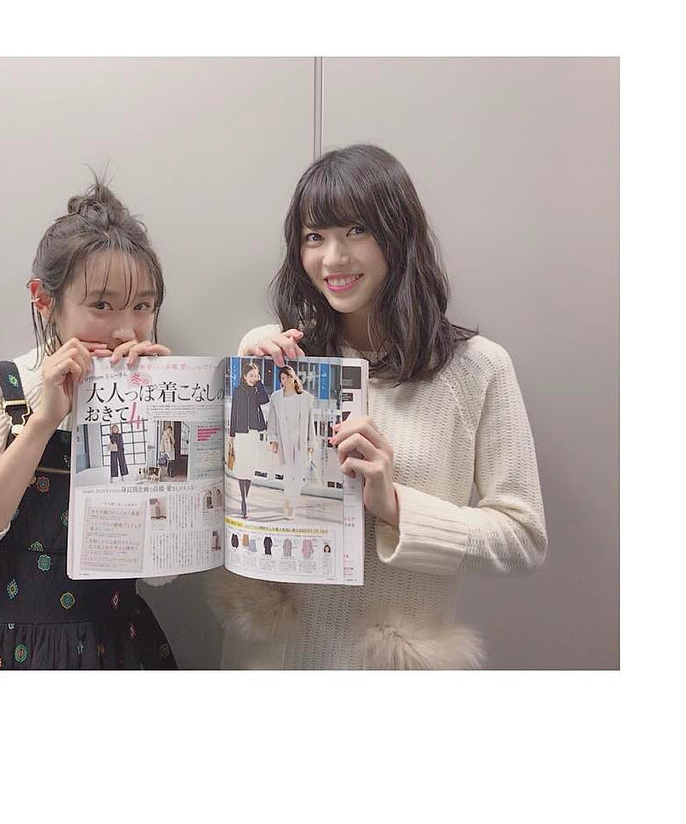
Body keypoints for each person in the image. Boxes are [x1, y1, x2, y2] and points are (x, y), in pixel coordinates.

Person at [208, 144, 547, 670]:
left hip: (389, 666)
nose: (333, 259)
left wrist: (395, 506)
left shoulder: (477, 369)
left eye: (357, 230)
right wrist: (250, 390)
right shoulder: (275, 353)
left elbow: (522, 539)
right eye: (314, 237)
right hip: (274, 658)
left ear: (398, 234)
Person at [0, 179, 178, 670]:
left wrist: (155, 415)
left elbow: (163, 573)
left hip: (114, 648)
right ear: (44, 300)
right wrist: (43, 422)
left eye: (142, 306)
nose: (124, 330)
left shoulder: (154, 396)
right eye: (102, 305)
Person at [266, 365, 315, 518]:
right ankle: (289, 501)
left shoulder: (305, 398)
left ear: (294, 378)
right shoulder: (276, 397)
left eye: (288, 377)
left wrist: (311, 442)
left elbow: (310, 422)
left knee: (299, 474)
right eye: (282, 378)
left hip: (300, 440)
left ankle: (292, 503)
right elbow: (272, 421)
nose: (285, 380)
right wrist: (273, 440)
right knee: (288, 473)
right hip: (284, 440)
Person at [227, 362, 270, 518]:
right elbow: (234, 412)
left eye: (256, 375)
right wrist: (231, 435)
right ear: (244, 376)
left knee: (251, 465)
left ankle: (245, 497)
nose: (253, 378)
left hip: (253, 431)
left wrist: (260, 383)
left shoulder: (257, 390)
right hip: (240, 433)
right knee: (242, 465)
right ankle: (243, 499)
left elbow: (265, 400)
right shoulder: (237, 390)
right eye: (251, 375)